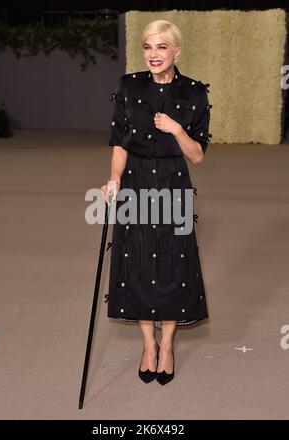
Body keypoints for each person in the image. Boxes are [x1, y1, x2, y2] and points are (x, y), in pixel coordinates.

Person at [101, 19, 212, 385]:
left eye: (162, 47)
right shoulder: (128, 86)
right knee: (137, 261)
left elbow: (197, 156)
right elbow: (119, 142)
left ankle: (167, 345)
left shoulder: (194, 93)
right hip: (134, 182)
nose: (154, 54)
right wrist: (114, 179)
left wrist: (177, 129)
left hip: (174, 182)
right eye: (148, 47)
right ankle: (147, 345)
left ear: (176, 51)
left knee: (173, 263)